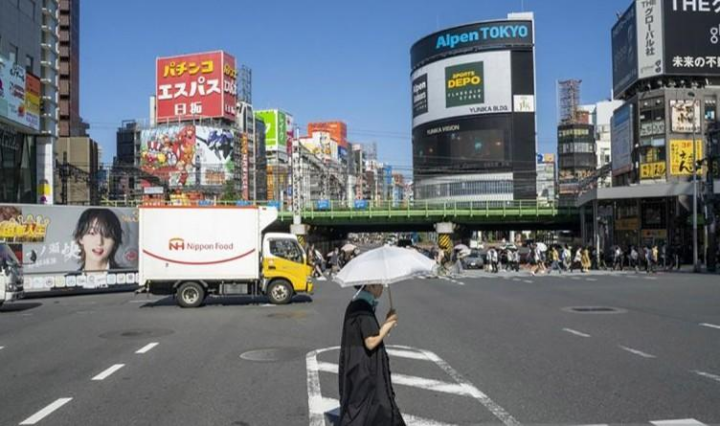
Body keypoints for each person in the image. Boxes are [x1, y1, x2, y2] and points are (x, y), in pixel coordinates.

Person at [338, 285, 405, 426]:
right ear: (370, 286)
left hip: (357, 363)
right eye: (380, 285)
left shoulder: (357, 302)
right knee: (366, 406)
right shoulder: (362, 308)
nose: (382, 288)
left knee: (364, 406)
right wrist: (388, 324)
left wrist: (387, 322)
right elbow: (370, 341)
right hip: (364, 368)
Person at [73, 208, 124, 272]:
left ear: (115, 242)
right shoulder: (68, 280)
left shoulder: (130, 279)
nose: (99, 242)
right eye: (92, 233)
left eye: (107, 235)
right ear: (80, 238)